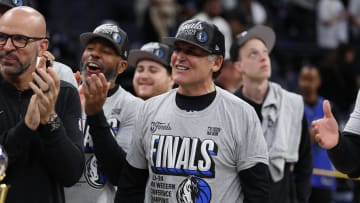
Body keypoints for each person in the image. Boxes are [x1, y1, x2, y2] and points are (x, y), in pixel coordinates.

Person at [87, 19, 270, 203]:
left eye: (191, 51)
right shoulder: (149, 109)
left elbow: (258, 193)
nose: (180, 56)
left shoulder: (241, 114)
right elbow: (131, 186)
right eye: (178, 49)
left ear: (216, 63)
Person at [0, 6, 84, 203]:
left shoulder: (64, 94)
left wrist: (50, 120)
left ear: (43, 46)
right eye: (2, 37)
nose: (7, 46)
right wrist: (26, 127)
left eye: (20, 39)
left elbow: (71, 174)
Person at [230, 25, 313, 203]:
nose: (263, 58)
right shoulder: (227, 108)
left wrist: (300, 199)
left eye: (265, 52)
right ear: (239, 65)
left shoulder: (292, 103)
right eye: (253, 53)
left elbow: (304, 163)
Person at [64, 23, 143, 203]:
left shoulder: (133, 107)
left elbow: (120, 174)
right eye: (90, 48)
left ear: (122, 66)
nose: (95, 54)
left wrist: (95, 114)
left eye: (106, 52)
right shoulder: (64, 95)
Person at [298, 65, 336, 203]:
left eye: (311, 79)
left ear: (319, 81)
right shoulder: (292, 106)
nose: (307, 84)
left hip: (323, 175)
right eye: (304, 79)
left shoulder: (328, 107)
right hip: (299, 176)